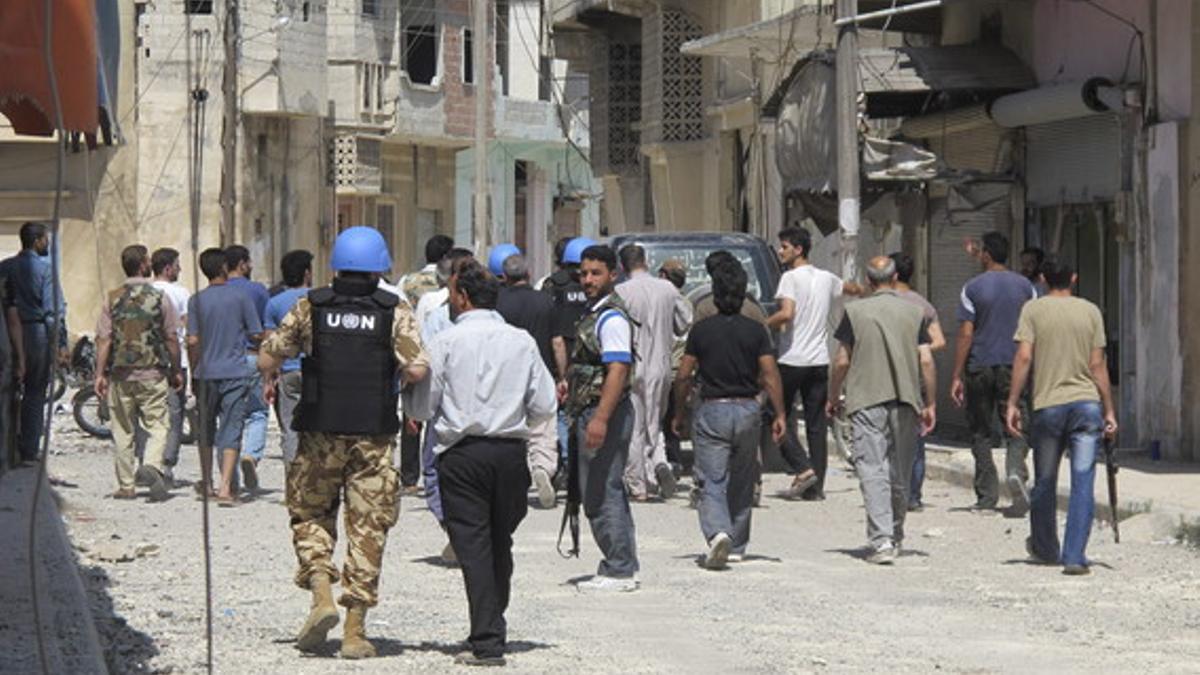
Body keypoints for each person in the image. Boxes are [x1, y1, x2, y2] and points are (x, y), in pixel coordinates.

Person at [259, 226, 429, 659]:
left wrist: (273, 366)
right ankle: (354, 632)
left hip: (319, 432)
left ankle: (320, 591)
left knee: (310, 513)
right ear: (380, 267)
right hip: (372, 436)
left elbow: (270, 354)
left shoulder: (311, 306)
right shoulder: (395, 309)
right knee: (368, 527)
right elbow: (417, 369)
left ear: (335, 265)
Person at [408, 260, 555, 667]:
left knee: (473, 547)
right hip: (510, 454)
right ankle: (492, 623)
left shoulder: (446, 343)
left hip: (462, 454)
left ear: (463, 297)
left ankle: (487, 642)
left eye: (454, 293)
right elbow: (544, 403)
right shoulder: (521, 341)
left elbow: (424, 404)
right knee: (499, 541)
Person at [672, 260, 786, 569]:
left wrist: (679, 411)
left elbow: (684, 374)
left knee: (712, 478)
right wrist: (780, 414)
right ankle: (737, 542)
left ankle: (718, 532)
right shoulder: (757, 331)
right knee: (742, 478)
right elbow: (770, 374)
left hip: (712, 410)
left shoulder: (701, 330)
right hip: (748, 409)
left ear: (716, 294)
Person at [1005, 259, 1117, 576]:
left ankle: (1045, 547)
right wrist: (1109, 408)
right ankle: (1074, 556)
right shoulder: (1091, 311)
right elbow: (1098, 365)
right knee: (1083, 481)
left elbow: (1024, 356)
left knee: (1045, 480)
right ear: (1074, 277)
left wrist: (1012, 402)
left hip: (1049, 406)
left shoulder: (1033, 310)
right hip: (1087, 406)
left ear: (1042, 279)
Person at [828, 256, 936, 565]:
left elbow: (842, 361)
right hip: (906, 400)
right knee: (899, 472)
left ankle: (881, 540)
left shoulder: (855, 311)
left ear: (868, 279)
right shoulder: (916, 313)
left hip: (866, 400)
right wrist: (930, 402)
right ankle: (896, 534)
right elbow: (926, 360)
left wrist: (834, 394)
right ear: (895, 276)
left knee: (872, 469)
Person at [766, 226, 861, 501]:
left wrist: (763, 322)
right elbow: (852, 288)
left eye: (784, 247)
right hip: (818, 360)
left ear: (798, 249)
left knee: (776, 415)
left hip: (791, 359)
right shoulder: (827, 278)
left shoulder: (789, 279)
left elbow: (786, 313)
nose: (781, 252)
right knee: (817, 423)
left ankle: (802, 467)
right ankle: (816, 488)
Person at [566, 244, 640, 592]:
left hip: (602, 413)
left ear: (614, 275)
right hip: (591, 409)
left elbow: (618, 369)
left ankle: (619, 567)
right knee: (602, 487)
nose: (588, 280)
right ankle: (620, 562)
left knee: (602, 488)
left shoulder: (611, 318)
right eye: (584, 273)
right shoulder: (595, 313)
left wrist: (600, 419)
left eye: (596, 273)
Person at [950, 231, 1037, 514]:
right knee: (1016, 422)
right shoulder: (1026, 287)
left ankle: (986, 498)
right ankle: (1015, 472)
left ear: (986, 254)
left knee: (980, 431)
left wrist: (956, 374)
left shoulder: (972, 288)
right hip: (1014, 365)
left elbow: (965, 334)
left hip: (980, 364)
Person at [94, 245, 183, 502]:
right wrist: (176, 370)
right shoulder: (158, 298)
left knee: (122, 429)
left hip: (121, 375)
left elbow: (104, 339)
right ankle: (153, 466)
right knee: (157, 424)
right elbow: (171, 338)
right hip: (153, 373)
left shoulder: (112, 298)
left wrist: (99, 374)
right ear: (145, 264)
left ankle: (126, 485)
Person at [616, 244, 693, 500]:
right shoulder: (668, 289)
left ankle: (639, 484)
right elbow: (684, 324)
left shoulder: (621, 292)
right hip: (661, 366)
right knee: (654, 422)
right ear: (645, 262)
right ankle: (657, 464)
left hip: (632, 365)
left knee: (634, 424)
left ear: (622, 266)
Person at [187, 248, 264, 505]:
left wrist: (193, 369)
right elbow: (256, 332)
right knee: (232, 429)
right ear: (223, 268)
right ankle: (225, 488)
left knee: (206, 431)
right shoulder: (241, 297)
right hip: (234, 371)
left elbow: (193, 340)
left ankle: (206, 482)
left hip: (206, 373)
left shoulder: (196, 300)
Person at [496, 254, 559, 509]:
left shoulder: (497, 303)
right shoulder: (545, 301)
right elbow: (557, 342)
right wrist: (562, 375)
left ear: (504, 277)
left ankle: (512, 481)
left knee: (510, 430)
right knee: (542, 426)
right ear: (529, 274)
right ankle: (542, 467)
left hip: (506, 376)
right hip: (540, 372)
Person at [0, 222, 66, 465]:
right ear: (38, 240)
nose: (47, 243)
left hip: (6, 333)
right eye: (46, 239)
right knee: (35, 393)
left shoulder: (4, 268)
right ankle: (28, 450)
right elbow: (53, 311)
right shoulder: (45, 270)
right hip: (36, 334)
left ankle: (8, 447)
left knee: (7, 391)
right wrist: (59, 344)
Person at [395, 234, 455, 495]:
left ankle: (409, 477)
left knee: (411, 416)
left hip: (415, 349)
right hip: (439, 353)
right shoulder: (445, 291)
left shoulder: (407, 281)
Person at [888, 252, 946, 512]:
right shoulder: (923, 305)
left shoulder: (883, 303)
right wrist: (918, 349)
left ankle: (892, 493)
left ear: (893, 274)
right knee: (916, 440)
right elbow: (940, 341)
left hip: (887, 377)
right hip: (915, 381)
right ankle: (913, 496)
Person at [544, 237, 593, 480]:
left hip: (565, 362)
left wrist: (560, 374)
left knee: (563, 414)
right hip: (592, 365)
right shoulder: (598, 289)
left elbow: (557, 339)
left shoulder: (554, 286)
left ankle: (566, 462)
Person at [225, 245, 271, 492]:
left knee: (230, 417)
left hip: (224, 361)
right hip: (252, 357)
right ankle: (251, 455)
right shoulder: (258, 291)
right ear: (242, 264)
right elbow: (265, 329)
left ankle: (227, 476)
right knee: (258, 413)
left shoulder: (216, 291)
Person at [264, 250, 313, 471]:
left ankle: (293, 477)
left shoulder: (274, 304)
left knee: (290, 428)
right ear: (307, 273)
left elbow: (270, 345)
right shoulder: (319, 299)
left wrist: (268, 378)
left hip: (288, 371)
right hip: (316, 371)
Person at [152, 247, 191, 480]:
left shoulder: (144, 292)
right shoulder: (180, 293)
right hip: (178, 360)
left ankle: (149, 460)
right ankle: (167, 463)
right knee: (175, 415)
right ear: (168, 268)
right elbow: (185, 328)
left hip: (149, 363)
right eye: (177, 265)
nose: (180, 269)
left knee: (151, 414)